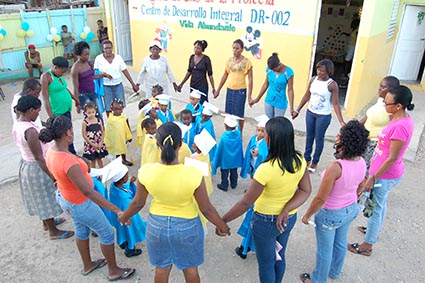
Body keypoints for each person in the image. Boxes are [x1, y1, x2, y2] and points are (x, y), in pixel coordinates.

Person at [118, 122, 230, 283]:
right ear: (180, 144)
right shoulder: (194, 173)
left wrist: (124, 216)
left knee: (161, 269)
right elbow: (206, 209)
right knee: (191, 270)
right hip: (187, 227)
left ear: (158, 144)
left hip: (157, 227)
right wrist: (222, 226)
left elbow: (138, 203)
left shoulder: (146, 171)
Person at [40, 115, 135, 281]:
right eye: (71, 129)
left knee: (81, 230)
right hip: (80, 203)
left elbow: (69, 172)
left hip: (66, 199)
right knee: (106, 233)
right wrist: (116, 209)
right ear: (67, 134)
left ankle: (88, 264)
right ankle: (114, 270)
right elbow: (88, 192)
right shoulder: (68, 162)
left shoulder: (51, 152)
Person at [221, 117, 312, 283]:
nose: (263, 137)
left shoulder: (266, 169)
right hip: (288, 218)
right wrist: (286, 209)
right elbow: (306, 190)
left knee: (266, 263)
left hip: (265, 222)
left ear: (272, 139)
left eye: (266, 134)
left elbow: (245, 203)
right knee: (279, 256)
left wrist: (223, 220)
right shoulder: (299, 159)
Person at [348, 85, 415, 257]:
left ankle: (367, 245)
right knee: (381, 204)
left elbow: (392, 157)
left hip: (384, 175)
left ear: (398, 106)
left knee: (376, 208)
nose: (384, 105)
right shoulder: (396, 118)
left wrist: (373, 177)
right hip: (381, 173)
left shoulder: (400, 126)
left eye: (387, 103)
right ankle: (373, 230)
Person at [299, 120, 369, 283]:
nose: (336, 137)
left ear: (345, 141)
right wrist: (353, 196)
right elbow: (362, 185)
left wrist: (307, 215)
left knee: (325, 250)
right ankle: (335, 272)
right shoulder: (361, 161)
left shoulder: (336, 167)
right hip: (350, 209)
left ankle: (318, 280)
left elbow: (321, 198)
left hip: (331, 213)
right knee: (340, 242)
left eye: (339, 135)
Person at [12, 95, 72, 240]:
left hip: (27, 164)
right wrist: (52, 176)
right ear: (31, 110)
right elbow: (39, 157)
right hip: (37, 168)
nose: (39, 114)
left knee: (40, 198)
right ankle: (53, 231)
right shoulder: (30, 131)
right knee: (46, 198)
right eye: (38, 111)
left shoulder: (18, 123)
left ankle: (48, 223)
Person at [294, 59, 345, 173]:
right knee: (309, 137)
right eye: (318, 69)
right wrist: (298, 109)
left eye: (323, 71)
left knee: (319, 138)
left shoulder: (332, 85)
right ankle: (306, 159)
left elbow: (336, 104)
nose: (320, 73)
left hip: (323, 115)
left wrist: (341, 121)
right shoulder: (313, 80)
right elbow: (307, 95)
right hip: (310, 112)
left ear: (328, 72)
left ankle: (315, 161)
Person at [236, 115, 269, 260]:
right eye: (258, 130)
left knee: (252, 223)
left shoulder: (267, 146)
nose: (260, 133)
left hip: (259, 196)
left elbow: (265, 156)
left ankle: (244, 248)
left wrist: (259, 154)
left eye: (263, 131)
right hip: (257, 176)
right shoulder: (253, 140)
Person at [41, 56, 80, 154]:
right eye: (62, 71)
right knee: (62, 136)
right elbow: (45, 98)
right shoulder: (46, 77)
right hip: (57, 112)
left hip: (67, 109)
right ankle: (66, 153)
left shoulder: (59, 77)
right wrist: (51, 118)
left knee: (69, 132)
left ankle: (72, 151)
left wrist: (76, 100)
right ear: (55, 67)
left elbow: (64, 89)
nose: (63, 74)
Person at [360, 76, 400, 169]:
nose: (379, 89)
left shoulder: (391, 108)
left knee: (366, 170)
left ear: (391, 90)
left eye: (383, 87)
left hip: (376, 144)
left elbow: (393, 127)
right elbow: (368, 116)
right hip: (366, 139)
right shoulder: (380, 100)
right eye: (380, 86)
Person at [214, 39, 253, 133]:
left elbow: (250, 79)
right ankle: (229, 132)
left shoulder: (247, 62)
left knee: (239, 115)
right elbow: (225, 75)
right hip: (230, 90)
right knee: (229, 113)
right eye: (233, 48)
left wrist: (249, 96)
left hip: (240, 91)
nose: (235, 50)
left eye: (237, 48)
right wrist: (218, 89)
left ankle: (239, 133)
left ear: (242, 49)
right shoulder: (229, 61)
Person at [109, 164, 146, 258]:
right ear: (122, 179)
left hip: (118, 217)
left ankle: (122, 242)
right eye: (126, 175)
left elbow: (125, 189)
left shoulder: (114, 186)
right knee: (130, 231)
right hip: (127, 217)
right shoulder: (124, 199)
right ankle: (130, 249)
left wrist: (130, 184)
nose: (128, 177)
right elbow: (131, 204)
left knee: (121, 230)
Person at [94, 40, 139, 117]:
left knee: (120, 105)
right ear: (102, 49)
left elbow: (125, 71)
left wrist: (133, 84)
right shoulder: (99, 59)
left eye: (110, 48)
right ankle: (111, 123)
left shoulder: (118, 58)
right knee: (109, 107)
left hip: (118, 85)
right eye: (106, 48)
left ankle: (120, 122)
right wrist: (104, 74)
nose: (108, 50)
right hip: (106, 86)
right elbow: (95, 73)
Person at [250, 53, 295, 118]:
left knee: (277, 123)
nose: (274, 71)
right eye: (272, 70)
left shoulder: (288, 72)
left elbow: (290, 90)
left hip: (280, 102)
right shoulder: (269, 70)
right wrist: (257, 99)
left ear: (279, 64)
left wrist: (291, 107)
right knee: (268, 121)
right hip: (269, 99)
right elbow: (266, 84)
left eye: (275, 70)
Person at [72, 41, 106, 122]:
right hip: (83, 95)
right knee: (90, 116)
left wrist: (103, 75)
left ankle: (102, 132)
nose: (87, 56)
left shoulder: (89, 63)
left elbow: (92, 76)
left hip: (92, 93)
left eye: (88, 54)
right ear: (79, 54)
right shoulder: (75, 68)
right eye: (85, 55)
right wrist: (77, 103)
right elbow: (75, 87)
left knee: (99, 114)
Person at [212, 114, 244, 191]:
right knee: (234, 172)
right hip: (234, 159)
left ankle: (224, 185)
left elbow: (220, 149)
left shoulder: (224, 137)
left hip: (225, 160)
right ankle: (234, 184)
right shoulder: (238, 135)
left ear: (226, 126)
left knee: (224, 173)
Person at [178, 40, 216, 104]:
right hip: (193, 84)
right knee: (193, 102)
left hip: (202, 85)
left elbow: (210, 74)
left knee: (203, 102)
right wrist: (181, 84)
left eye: (198, 48)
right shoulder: (192, 57)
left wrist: (213, 88)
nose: (195, 49)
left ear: (202, 50)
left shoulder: (206, 59)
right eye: (195, 47)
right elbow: (189, 71)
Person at [104, 99, 133, 166]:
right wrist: (109, 140)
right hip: (115, 139)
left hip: (123, 137)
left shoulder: (124, 116)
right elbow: (109, 131)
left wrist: (129, 135)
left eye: (120, 109)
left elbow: (127, 125)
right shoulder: (111, 119)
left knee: (123, 149)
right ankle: (118, 163)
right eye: (116, 109)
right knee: (117, 151)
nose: (118, 111)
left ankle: (124, 160)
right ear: (112, 108)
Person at [82, 102, 108, 168]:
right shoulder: (85, 122)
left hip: (98, 142)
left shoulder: (99, 120)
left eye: (93, 112)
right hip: (90, 144)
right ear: (85, 113)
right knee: (92, 160)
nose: (91, 114)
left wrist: (101, 142)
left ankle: (102, 173)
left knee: (99, 159)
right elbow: (84, 134)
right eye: (89, 113)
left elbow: (103, 131)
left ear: (95, 111)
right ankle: (94, 174)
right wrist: (92, 144)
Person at [340, 17, 360, 87]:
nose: (351, 25)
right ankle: (346, 74)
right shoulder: (354, 30)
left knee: (347, 60)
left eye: (353, 23)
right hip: (350, 45)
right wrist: (345, 33)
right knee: (347, 60)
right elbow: (351, 35)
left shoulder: (358, 31)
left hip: (353, 46)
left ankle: (346, 74)